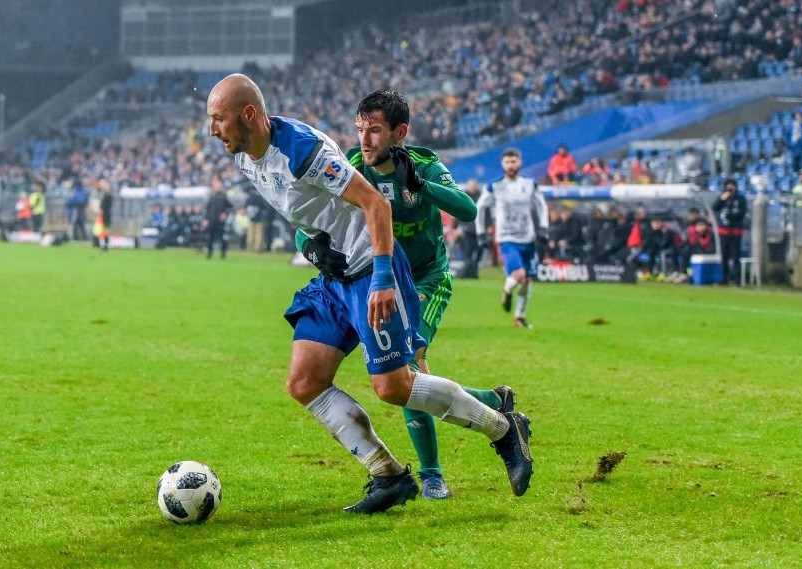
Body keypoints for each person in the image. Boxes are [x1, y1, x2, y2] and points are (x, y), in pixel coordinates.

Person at [207, 74, 532, 513]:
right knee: (304, 382)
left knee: (394, 387)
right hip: (334, 277)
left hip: (371, 270)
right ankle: (388, 475)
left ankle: (501, 429)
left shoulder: (304, 151)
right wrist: (309, 243)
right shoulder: (245, 156)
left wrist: (381, 278)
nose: (213, 130)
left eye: (218, 119)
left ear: (248, 115)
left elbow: (376, 205)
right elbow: (301, 213)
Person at [296, 89, 516, 500]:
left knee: (410, 367)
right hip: (377, 283)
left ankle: (432, 474)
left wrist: (421, 185)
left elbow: (467, 210)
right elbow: (306, 217)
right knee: (407, 378)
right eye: (361, 129)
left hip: (425, 280)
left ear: (400, 133)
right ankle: (493, 401)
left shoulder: (425, 164)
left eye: (375, 130)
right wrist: (308, 246)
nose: (365, 139)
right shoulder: (348, 166)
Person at [474, 147, 549, 328]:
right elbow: (479, 208)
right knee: (519, 274)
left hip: (528, 237)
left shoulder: (530, 183)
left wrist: (544, 228)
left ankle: (519, 317)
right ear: (502, 164)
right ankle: (507, 290)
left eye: (513, 161)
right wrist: (481, 232)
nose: (510, 165)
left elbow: (541, 206)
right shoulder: (494, 186)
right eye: (507, 162)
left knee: (527, 279)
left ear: (520, 162)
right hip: (506, 238)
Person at [711, 178, 747, 285]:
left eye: (732, 185)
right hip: (724, 231)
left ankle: (737, 280)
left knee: (735, 256)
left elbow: (742, 213)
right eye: (728, 186)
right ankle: (724, 279)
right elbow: (715, 207)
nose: (730, 188)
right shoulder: (723, 198)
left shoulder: (740, 199)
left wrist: (730, 216)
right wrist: (722, 199)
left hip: (735, 231)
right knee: (724, 256)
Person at [203, 175, 233, 259]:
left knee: (222, 238)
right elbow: (208, 209)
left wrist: (225, 214)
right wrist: (206, 218)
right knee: (210, 238)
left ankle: (223, 254)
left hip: (220, 222)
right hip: (212, 221)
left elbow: (230, 207)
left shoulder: (223, 197)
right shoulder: (211, 197)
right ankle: (209, 254)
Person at [98, 180, 113, 251]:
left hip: (106, 214)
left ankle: (106, 245)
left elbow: (106, 205)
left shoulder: (108, 195)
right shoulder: (104, 195)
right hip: (103, 214)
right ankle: (104, 245)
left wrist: (102, 210)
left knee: (106, 230)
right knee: (103, 230)